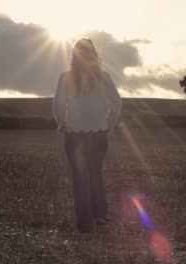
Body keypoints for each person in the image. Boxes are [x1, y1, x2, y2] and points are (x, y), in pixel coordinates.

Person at [53, 38, 122, 232]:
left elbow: (58, 104)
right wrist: (108, 124)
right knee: (96, 173)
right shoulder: (104, 77)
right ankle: (100, 215)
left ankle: (85, 223)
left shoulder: (65, 77)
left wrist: (62, 124)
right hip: (99, 132)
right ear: (94, 54)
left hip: (74, 134)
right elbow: (117, 103)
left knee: (79, 177)